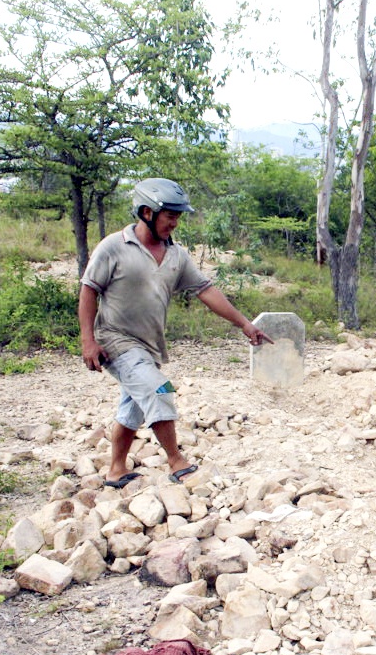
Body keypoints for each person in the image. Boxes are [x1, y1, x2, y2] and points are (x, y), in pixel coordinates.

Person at [78, 178, 273, 489]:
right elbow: (89, 291)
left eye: (178, 216)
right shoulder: (113, 247)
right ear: (146, 212)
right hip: (115, 341)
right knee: (160, 390)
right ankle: (176, 461)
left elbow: (206, 290)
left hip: (148, 347)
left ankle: (116, 469)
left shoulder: (176, 255)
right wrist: (88, 341)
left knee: (134, 403)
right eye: (170, 215)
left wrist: (245, 324)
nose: (175, 223)